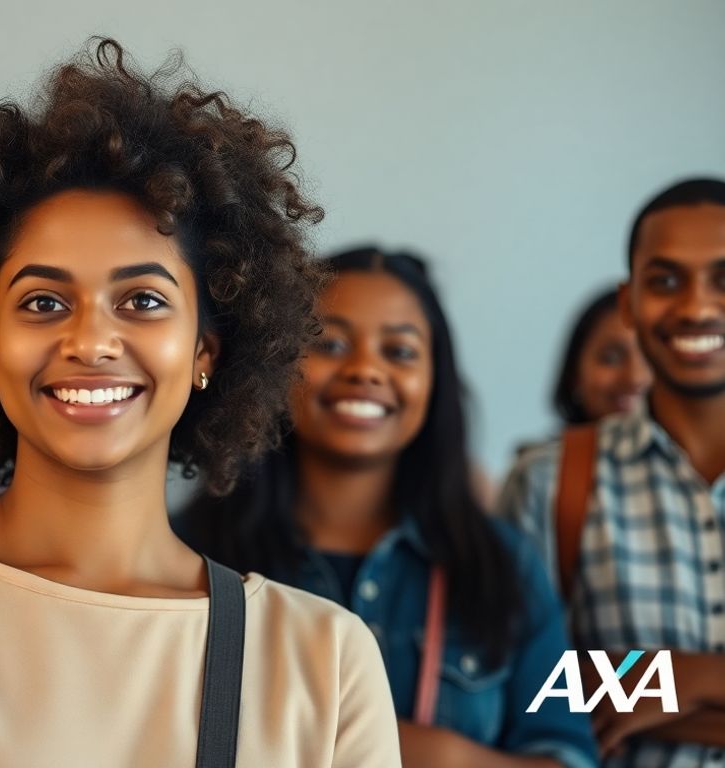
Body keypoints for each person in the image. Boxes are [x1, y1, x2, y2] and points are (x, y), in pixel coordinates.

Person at [0, 39, 400, 766]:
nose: (91, 340)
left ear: (206, 349)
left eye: (142, 300)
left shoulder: (325, 658)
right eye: (42, 301)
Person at [181, 247, 598, 768]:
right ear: (278, 362)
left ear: (435, 381)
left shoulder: (505, 565)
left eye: (399, 352)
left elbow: (568, 755)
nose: (364, 370)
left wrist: (439, 755)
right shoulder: (190, 556)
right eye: (329, 342)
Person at [499, 177, 725, 765]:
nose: (698, 306)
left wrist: (687, 676)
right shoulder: (551, 481)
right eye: (666, 281)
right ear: (629, 303)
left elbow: (587, 682)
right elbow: (521, 686)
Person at [551, 286, 652, 426]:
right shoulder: (553, 449)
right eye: (611, 358)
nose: (635, 378)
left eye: (652, 357)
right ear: (574, 373)